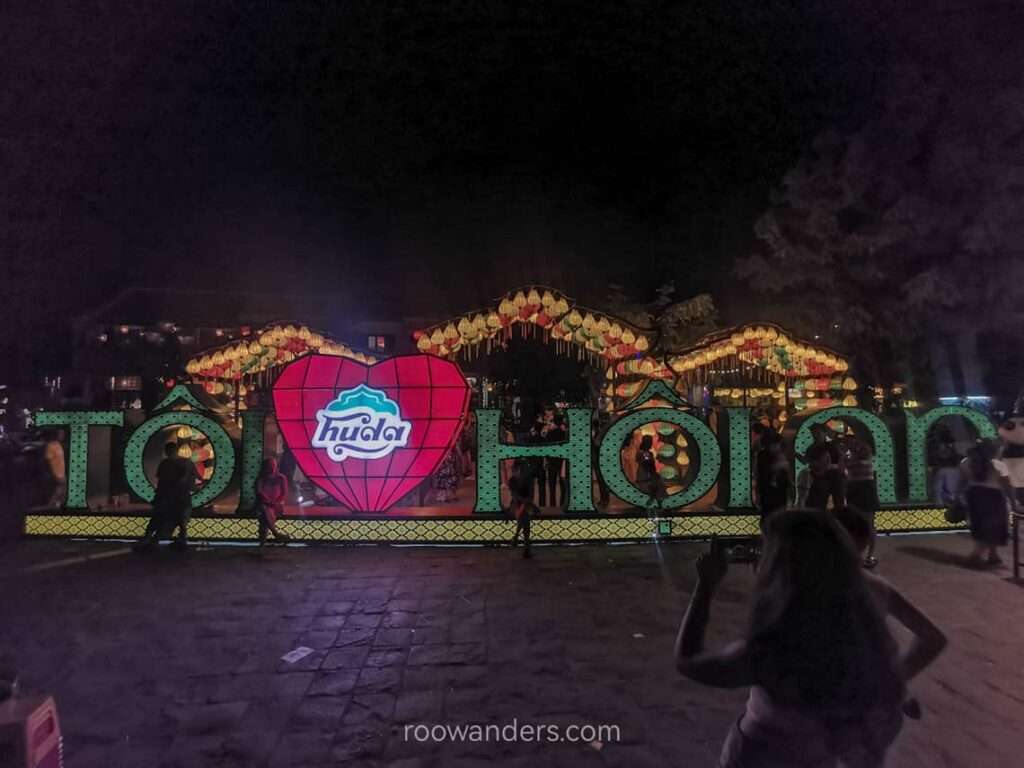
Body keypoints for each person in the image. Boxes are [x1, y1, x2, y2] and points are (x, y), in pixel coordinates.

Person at [676, 509, 945, 768]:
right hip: (819, 755)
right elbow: (932, 638)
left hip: (761, 753)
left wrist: (705, 586)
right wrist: (889, 681)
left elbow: (689, 661)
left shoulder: (779, 644)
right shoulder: (865, 610)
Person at [959, 439, 1019, 567]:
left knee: (980, 526)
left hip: (973, 495)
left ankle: (993, 555)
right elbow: (1008, 486)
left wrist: (959, 498)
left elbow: (962, 482)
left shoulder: (966, 463)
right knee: (994, 528)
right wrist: (1014, 503)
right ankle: (976, 555)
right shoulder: (998, 465)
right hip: (993, 497)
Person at [134, 442, 197, 552]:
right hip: (178, 496)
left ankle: (152, 539)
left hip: (171, 496)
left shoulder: (170, 464)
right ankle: (174, 540)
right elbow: (189, 479)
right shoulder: (184, 463)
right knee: (178, 520)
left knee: (162, 519)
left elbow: (162, 481)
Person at [842, 436, 881, 569]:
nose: (850, 446)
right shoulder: (851, 457)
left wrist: (847, 452)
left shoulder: (864, 455)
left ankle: (868, 555)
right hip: (856, 489)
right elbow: (841, 470)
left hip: (864, 489)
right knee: (859, 523)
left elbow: (862, 459)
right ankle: (863, 554)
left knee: (867, 523)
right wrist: (844, 455)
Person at [754, 430, 790, 527]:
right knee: (770, 516)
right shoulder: (764, 456)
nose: (776, 446)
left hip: (777, 492)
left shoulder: (780, 455)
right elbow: (762, 474)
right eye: (774, 444)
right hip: (769, 492)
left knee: (776, 516)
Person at [798, 442, 845, 511]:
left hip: (825, 514)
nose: (829, 460)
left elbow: (839, 502)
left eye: (829, 458)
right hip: (811, 513)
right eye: (826, 458)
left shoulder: (834, 475)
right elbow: (802, 499)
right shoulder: (806, 475)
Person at [256, 457, 291, 545]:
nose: (271, 468)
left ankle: (264, 541)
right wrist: (268, 501)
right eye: (269, 466)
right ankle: (276, 533)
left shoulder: (281, 478)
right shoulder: (261, 479)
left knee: (264, 516)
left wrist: (276, 502)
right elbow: (259, 492)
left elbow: (284, 493)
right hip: (265, 504)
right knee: (264, 509)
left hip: (277, 505)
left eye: (273, 466)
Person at [507, 458, 537, 558]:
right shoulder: (512, 481)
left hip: (526, 505)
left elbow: (530, 497)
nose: (515, 472)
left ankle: (516, 537)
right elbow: (515, 497)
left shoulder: (528, 480)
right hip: (516, 504)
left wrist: (522, 506)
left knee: (524, 515)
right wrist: (521, 506)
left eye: (517, 469)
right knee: (525, 517)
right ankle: (526, 546)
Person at [635, 434, 666, 510]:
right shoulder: (645, 453)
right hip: (646, 474)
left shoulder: (646, 453)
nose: (651, 444)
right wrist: (653, 473)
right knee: (656, 487)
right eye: (649, 442)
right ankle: (656, 504)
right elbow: (647, 463)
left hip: (647, 474)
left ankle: (655, 503)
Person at [544, 414, 567, 509]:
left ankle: (552, 505)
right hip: (561, 462)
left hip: (551, 462)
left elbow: (546, 448)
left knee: (552, 486)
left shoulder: (550, 433)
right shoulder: (563, 434)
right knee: (563, 486)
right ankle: (562, 504)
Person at [42, 430, 66, 509]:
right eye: (61, 434)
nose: (62, 436)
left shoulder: (59, 445)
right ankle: (51, 505)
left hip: (62, 471)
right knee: (60, 488)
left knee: (63, 489)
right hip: (56, 472)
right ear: (57, 435)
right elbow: (48, 461)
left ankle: (57, 505)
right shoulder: (50, 446)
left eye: (62, 434)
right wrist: (50, 472)